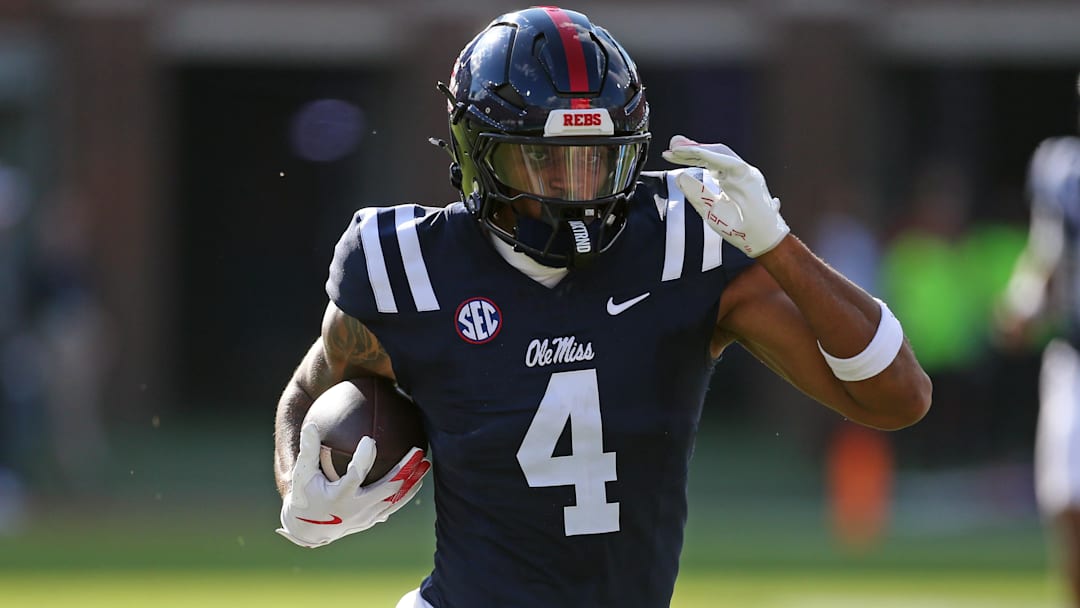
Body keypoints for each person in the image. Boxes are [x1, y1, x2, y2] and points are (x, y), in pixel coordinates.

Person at [272, 7, 932, 607]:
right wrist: (295, 487)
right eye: (545, 162)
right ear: (480, 155)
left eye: (596, 160)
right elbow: (309, 388)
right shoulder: (410, 268)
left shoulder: (682, 241)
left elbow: (897, 398)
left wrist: (780, 246)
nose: (576, 187)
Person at [996, 77, 1080, 607]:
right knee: (1065, 498)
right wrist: (1024, 302)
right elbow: (1047, 251)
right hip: (1074, 351)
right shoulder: (1063, 167)